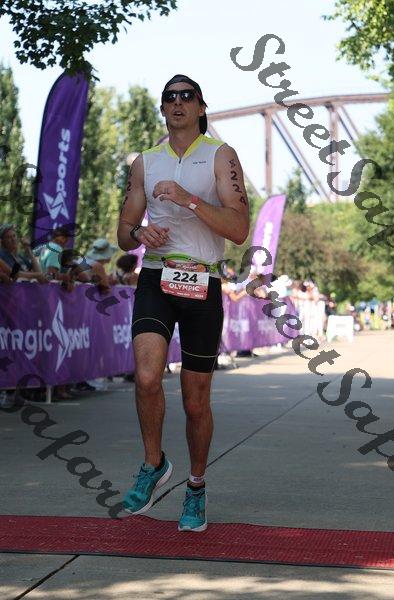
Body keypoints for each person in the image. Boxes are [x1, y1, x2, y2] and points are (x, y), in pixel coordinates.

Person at [117, 74, 249, 532]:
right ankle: (153, 464)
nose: (177, 103)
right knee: (146, 376)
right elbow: (123, 232)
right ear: (163, 108)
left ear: (200, 106)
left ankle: (195, 486)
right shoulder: (145, 161)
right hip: (156, 276)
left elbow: (239, 229)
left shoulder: (220, 155)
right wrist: (139, 233)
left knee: (196, 402)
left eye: (186, 96)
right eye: (169, 97)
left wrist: (190, 199)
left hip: (202, 281)